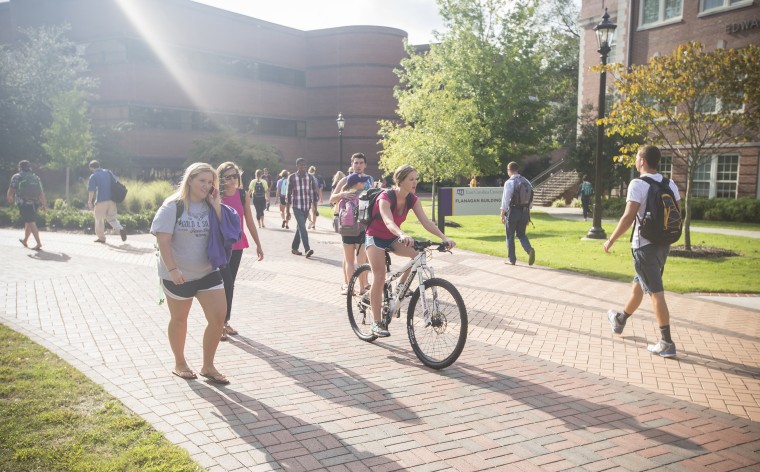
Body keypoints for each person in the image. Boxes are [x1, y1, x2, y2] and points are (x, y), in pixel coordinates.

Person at [150, 162, 230, 384]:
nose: (206, 186)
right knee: (179, 319)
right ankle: (180, 362)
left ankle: (208, 366)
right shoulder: (172, 207)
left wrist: (216, 206)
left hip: (208, 271)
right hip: (179, 275)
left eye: (210, 182)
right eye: (202, 181)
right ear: (190, 180)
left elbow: (227, 231)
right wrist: (173, 269)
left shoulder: (211, 204)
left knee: (218, 318)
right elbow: (163, 241)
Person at [603, 145, 680, 358]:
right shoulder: (669, 183)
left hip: (643, 246)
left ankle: (666, 342)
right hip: (663, 245)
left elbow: (628, 217)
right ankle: (620, 320)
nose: (636, 160)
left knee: (656, 293)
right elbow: (677, 213)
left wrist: (611, 240)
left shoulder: (638, 183)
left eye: (637, 157)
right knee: (639, 286)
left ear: (643, 161)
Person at [365, 164, 456, 337]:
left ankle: (400, 287)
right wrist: (402, 234)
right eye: (411, 179)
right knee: (379, 275)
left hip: (393, 237)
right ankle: (376, 323)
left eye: (416, 179)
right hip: (375, 236)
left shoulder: (412, 199)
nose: (415, 183)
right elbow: (388, 221)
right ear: (400, 180)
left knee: (418, 254)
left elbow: (427, 222)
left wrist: (444, 238)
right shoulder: (385, 197)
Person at [217, 162, 264, 341]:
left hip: (237, 245)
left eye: (235, 176)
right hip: (220, 246)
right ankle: (219, 323)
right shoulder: (216, 195)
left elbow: (250, 221)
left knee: (230, 283)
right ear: (221, 178)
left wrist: (258, 244)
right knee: (224, 283)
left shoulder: (242, 194)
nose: (232, 180)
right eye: (228, 176)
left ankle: (224, 321)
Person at [331, 153, 375, 292]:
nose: (358, 165)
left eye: (361, 163)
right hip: (348, 224)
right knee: (350, 259)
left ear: (365, 165)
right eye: (356, 163)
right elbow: (332, 199)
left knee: (362, 260)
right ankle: (351, 288)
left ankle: (362, 287)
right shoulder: (344, 180)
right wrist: (342, 195)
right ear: (351, 164)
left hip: (364, 224)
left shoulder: (370, 180)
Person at [500, 162, 535, 266]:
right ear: (517, 169)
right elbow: (531, 200)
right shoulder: (527, 182)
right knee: (521, 234)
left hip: (513, 211)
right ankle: (529, 250)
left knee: (510, 235)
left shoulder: (509, 182)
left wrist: (502, 213)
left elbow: (505, 200)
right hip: (524, 212)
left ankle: (512, 259)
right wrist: (528, 215)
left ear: (509, 170)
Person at [7, 160, 47, 250]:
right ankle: (25, 240)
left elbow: (11, 188)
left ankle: (38, 243)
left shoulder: (17, 176)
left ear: (20, 168)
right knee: (28, 221)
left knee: (31, 221)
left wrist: (9, 197)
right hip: (35, 202)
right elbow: (41, 192)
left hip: (24, 202)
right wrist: (44, 204)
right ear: (29, 167)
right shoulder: (36, 177)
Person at [286, 158, 319, 258]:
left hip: (306, 206)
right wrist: (287, 212)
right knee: (303, 227)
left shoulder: (310, 178)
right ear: (297, 166)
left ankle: (294, 248)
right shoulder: (291, 177)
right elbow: (288, 195)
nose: (303, 167)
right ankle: (307, 249)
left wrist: (315, 208)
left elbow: (314, 194)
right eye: (301, 165)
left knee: (300, 227)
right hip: (296, 206)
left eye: (305, 165)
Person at [87, 160, 126, 244]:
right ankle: (120, 229)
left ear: (91, 168)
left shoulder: (94, 176)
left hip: (101, 201)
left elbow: (91, 190)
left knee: (99, 219)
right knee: (112, 218)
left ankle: (101, 238)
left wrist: (90, 202)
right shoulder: (108, 172)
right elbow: (117, 181)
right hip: (112, 200)